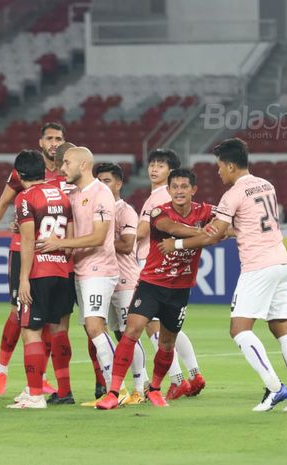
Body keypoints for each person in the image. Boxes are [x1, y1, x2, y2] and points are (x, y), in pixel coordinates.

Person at [159, 138, 287, 413]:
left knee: (239, 330)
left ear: (229, 165)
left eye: (219, 167)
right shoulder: (267, 185)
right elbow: (241, 226)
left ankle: (275, 388)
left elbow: (212, 235)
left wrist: (175, 244)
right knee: (281, 328)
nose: (218, 172)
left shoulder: (233, 194)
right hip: (282, 264)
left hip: (258, 266)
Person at [95, 169, 215, 410]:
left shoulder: (206, 211)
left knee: (168, 343)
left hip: (180, 289)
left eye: (184, 187)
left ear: (194, 190)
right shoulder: (161, 211)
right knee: (132, 331)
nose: (179, 191)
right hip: (151, 284)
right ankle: (113, 392)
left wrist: (220, 231)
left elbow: (227, 227)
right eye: (175, 187)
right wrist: (204, 233)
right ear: (168, 190)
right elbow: (173, 228)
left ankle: (156, 390)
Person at [0, 122, 65, 396]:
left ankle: (40, 378)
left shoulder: (69, 171)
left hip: (54, 253)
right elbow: (4, 203)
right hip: (21, 248)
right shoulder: (25, 170)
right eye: (49, 138)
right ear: (40, 143)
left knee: (51, 318)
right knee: (19, 312)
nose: (53, 143)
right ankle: (1, 371)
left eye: (58, 139)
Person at [39, 146, 119, 401]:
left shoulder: (101, 193)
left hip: (99, 268)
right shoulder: (74, 194)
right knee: (93, 328)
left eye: (67, 163)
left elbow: (98, 237)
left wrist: (60, 244)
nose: (62, 168)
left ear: (83, 165)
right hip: (80, 270)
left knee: (96, 327)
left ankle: (116, 388)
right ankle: (114, 387)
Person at [6, 150, 74, 409]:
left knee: (31, 331)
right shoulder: (61, 195)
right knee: (59, 330)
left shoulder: (25, 198)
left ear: (20, 175)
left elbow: (26, 240)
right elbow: (68, 238)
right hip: (63, 271)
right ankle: (64, 389)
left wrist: (23, 279)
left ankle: (35, 395)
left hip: (39, 273)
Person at [136, 149, 206, 399]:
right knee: (170, 327)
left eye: (161, 165)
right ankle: (194, 373)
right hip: (175, 267)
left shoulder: (158, 198)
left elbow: (142, 232)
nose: (154, 169)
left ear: (171, 172)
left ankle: (177, 380)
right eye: (152, 164)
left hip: (152, 264)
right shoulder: (168, 197)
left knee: (152, 326)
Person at [95, 162, 150, 405]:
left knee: (130, 336)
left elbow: (128, 245)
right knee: (119, 336)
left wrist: (95, 240)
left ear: (119, 184)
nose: (102, 185)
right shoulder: (98, 209)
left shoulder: (124, 210)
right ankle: (134, 386)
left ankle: (139, 387)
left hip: (126, 281)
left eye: (106, 181)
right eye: (99, 181)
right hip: (105, 280)